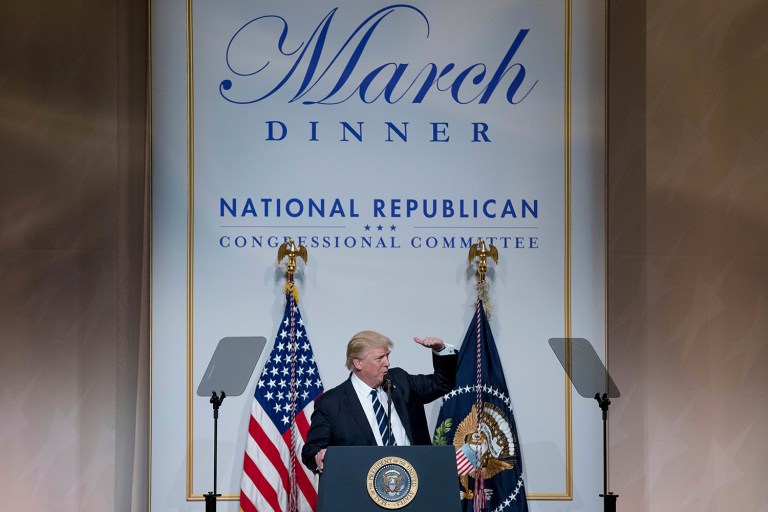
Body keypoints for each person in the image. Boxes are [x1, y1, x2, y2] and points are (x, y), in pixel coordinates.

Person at [301, 330, 458, 474]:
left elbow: (441, 384)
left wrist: (440, 350)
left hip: (416, 480)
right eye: (379, 358)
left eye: (387, 356)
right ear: (358, 363)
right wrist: (318, 456)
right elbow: (311, 450)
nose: (387, 363)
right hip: (362, 491)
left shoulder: (401, 380)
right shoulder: (331, 403)